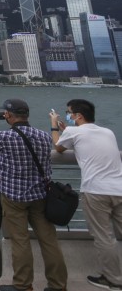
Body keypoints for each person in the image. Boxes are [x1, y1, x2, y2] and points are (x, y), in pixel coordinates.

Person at [0, 98, 67, 291]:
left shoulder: (4, 137)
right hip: (40, 196)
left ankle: (23, 285)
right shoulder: (43, 136)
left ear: (7, 115)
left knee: (20, 241)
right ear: (27, 115)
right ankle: (58, 285)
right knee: (49, 241)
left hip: (13, 198)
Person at [51, 99, 122, 290]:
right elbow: (87, 144)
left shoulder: (73, 132)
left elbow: (58, 147)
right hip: (119, 188)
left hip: (96, 190)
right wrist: (69, 131)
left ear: (78, 116)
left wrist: (54, 127)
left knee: (104, 237)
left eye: (68, 112)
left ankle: (114, 280)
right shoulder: (108, 132)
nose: (67, 115)